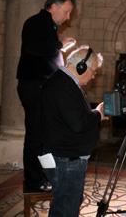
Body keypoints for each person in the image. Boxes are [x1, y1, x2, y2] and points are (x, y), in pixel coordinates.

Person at [16, 0, 77, 192]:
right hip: (34, 87)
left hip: (41, 88)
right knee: (35, 136)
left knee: (43, 136)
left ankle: (42, 177)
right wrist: (60, 45)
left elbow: (48, 56)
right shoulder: (36, 22)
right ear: (55, 6)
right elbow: (36, 48)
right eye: (67, 12)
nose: (68, 17)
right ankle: (34, 182)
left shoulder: (48, 27)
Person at [41, 48, 105, 217]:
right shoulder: (63, 85)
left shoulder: (63, 82)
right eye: (94, 72)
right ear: (81, 66)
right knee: (67, 208)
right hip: (66, 161)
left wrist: (92, 114)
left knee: (63, 205)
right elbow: (77, 124)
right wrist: (97, 114)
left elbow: (73, 117)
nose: (93, 77)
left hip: (64, 158)